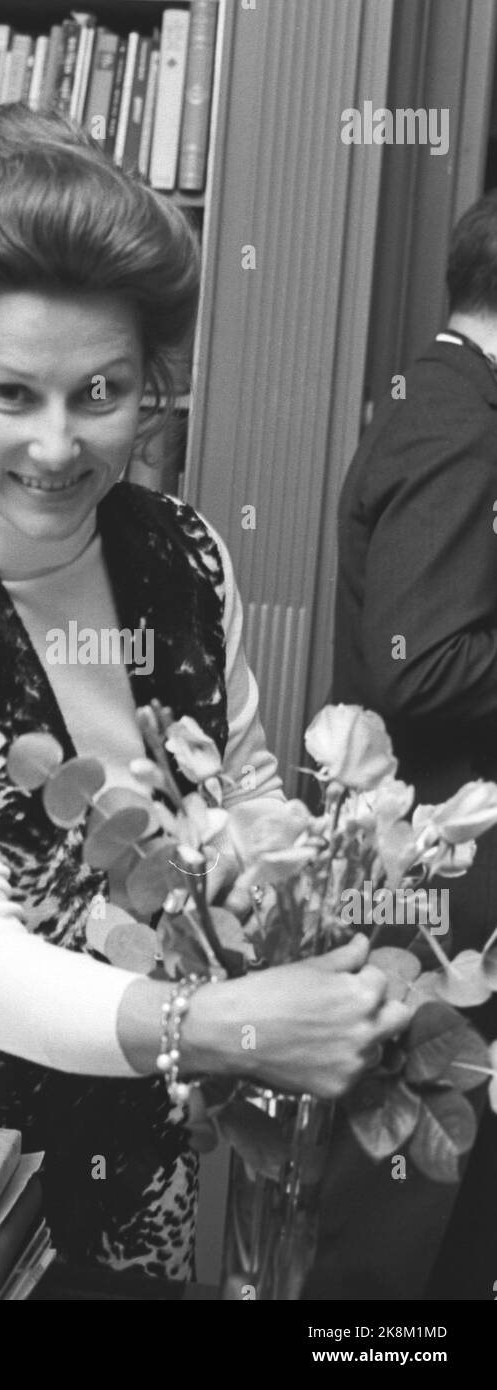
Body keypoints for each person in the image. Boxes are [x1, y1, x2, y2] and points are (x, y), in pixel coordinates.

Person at [0, 104, 407, 1281]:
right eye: (12, 395)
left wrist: (285, 906)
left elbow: (248, 789)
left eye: (104, 391)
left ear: (150, 385)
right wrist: (230, 1028)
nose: (61, 444)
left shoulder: (184, 551)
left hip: (140, 1134)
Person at [314, 190, 497, 1301]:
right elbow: (418, 662)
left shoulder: (454, 404)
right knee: (398, 1238)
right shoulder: (459, 418)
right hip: (432, 901)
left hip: (438, 895)